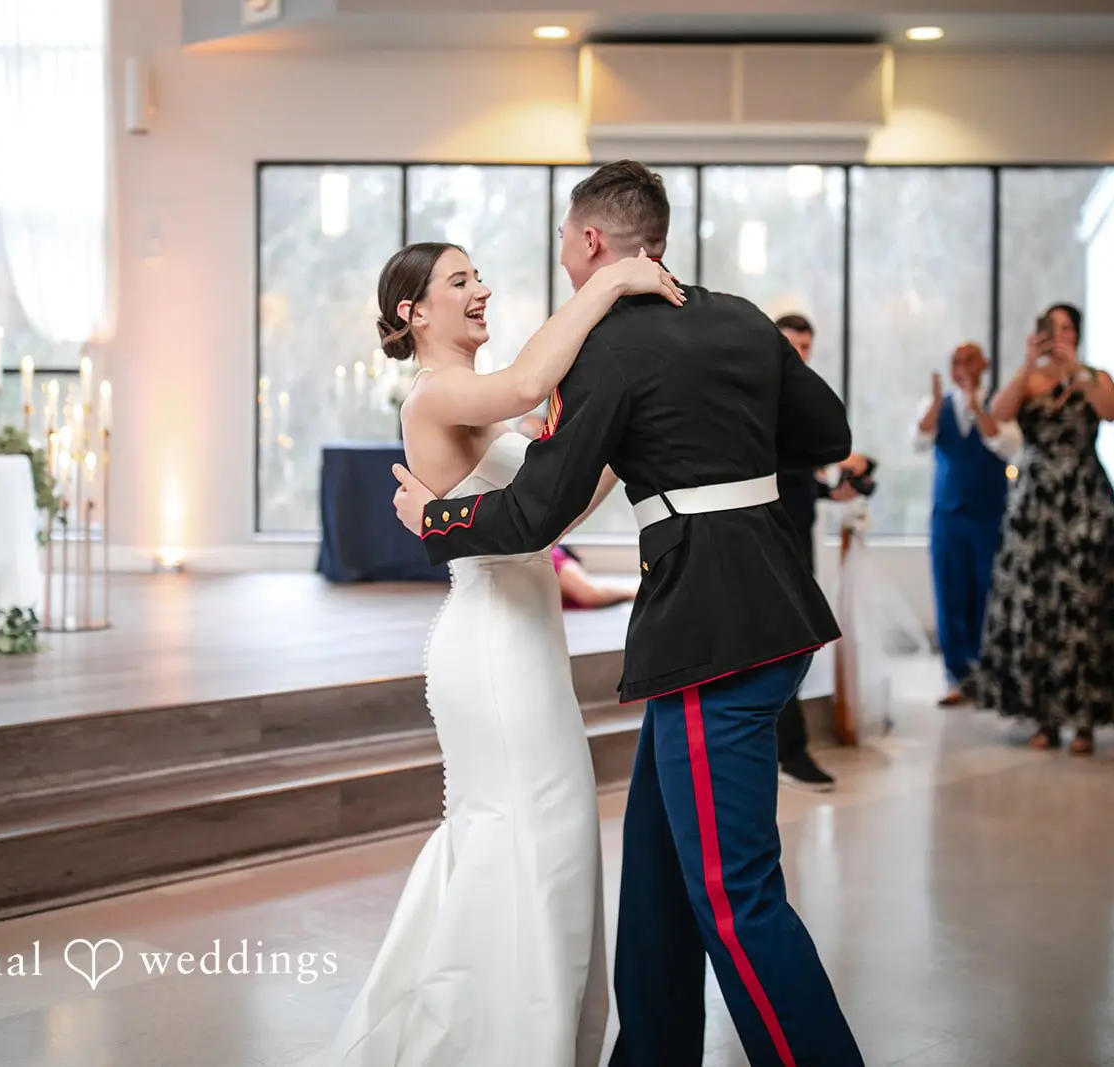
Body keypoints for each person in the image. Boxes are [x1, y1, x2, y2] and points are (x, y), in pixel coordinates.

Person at [392, 160, 865, 1067]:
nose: (561, 257)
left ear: (594, 242)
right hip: (774, 615)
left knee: (735, 896)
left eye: (566, 240)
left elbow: (534, 511)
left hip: (710, 634)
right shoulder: (736, 314)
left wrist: (437, 516)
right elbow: (826, 437)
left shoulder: (606, 350)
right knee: (654, 874)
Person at [318, 240, 683, 1067]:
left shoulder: (489, 408)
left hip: (526, 640)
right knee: (525, 842)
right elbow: (527, 381)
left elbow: (557, 509)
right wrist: (617, 278)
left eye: (480, 273)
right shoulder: (438, 394)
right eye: (460, 280)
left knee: (546, 844)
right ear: (414, 314)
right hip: (489, 646)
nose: (482, 288)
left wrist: (622, 427)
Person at [968, 303, 1114, 755]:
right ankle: (1044, 718)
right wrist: (1027, 364)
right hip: (1036, 501)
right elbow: (998, 413)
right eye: (1049, 329)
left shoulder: (1095, 377)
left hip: (1083, 498)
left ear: (1076, 334)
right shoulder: (1031, 381)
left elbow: (1113, 411)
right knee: (1037, 605)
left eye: (1064, 329)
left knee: (1083, 604)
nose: (1056, 336)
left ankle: (1085, 721)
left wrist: (1076, 368)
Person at [772, 312, 865, 791]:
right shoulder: (761, 397)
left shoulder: (803, 399)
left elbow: (799, 477)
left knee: (796, 642)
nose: (800, 355)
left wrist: (833, 492)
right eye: (792, 346)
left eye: (807, 347)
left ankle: (788, 747)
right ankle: (790, 750)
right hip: (767, 538)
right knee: (788, 643)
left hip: (799, 534)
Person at [912, 341, 1021, 707]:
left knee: (988, 591)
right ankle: (954, 674)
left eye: (969, 360)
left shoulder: (1001, 404)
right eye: (956, 361)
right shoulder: (936, 404)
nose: (962, 367)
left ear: (985, 364)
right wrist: (936, 404)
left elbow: (1008, 447)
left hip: (989, 512)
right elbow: (918, 441)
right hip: (947, 515)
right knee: (949, 591)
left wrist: (977, 409)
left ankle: (987, 669)